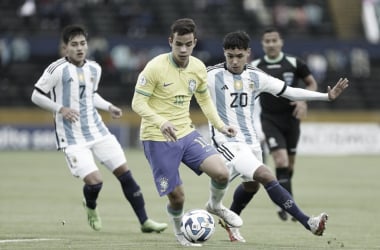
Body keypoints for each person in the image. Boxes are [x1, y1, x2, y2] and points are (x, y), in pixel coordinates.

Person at [206, 30, 348, 242]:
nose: (234, 61)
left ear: (248, 53)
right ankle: (308, 222)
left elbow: (290, 91)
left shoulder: (255, 75)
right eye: (229, 56)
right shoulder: (209, 74)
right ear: (224, 54)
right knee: (266, 176)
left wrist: (326, 96)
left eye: (239, 56)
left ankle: (228, 220)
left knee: (251, 185)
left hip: (250, 141)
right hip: (226, 141)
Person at [30, 24, 168, 233]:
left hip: (98, 130)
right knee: (95, 182)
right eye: (74, 44)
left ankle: (145, 221)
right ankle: (91, 207)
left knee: (126, 174)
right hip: (72, 137)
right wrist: (61, 108)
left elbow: (90, 95)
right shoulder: (56, 69)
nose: (79, 48)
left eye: (82, 43)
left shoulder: (95, 68)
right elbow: (36, 95)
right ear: (65, 47)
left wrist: (108, 106)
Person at [131, 18, 243, 247]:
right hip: (157, 137)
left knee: (222, 173)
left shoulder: (198, 67)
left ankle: (215, 205)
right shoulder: (155, 67)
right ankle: (180, 232)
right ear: (170, 41)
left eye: (188, 44)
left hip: (186, 132)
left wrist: (221, 126)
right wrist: (161, 122)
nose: (183, 49)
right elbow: (137, 103)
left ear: (195, 43)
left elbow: (204, 100)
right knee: (178, 196)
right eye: (178, 44)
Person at [251, 27, 319, 221]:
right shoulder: (255, 66)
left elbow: (311, 84)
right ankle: (288, 206)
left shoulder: (294, 62)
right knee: (280, 161)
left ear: (281, 42)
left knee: (289, 166)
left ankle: (284, 200)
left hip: (292, 119)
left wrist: (303, 101)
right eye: (267, 41)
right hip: (270, 119)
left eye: (274, 40)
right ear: (263, 44)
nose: (271, 44)